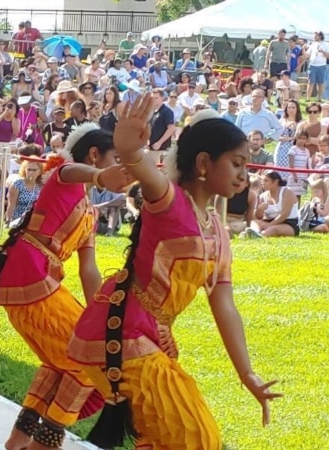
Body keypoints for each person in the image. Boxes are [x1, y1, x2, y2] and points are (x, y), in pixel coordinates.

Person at [68, 100, 282, 449]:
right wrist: (127, 148)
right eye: (236, 163)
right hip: (122, 334)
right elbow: (140, 165)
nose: (244, 175)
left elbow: (224, 306)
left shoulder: (217, 231)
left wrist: (247, 374)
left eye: (246, 166)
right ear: (202, 163)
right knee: (194, 436)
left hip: (151, 339)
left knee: (163, 437)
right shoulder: (169, 200)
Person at [0, 125, 134, 450]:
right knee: (86, 358)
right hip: (28, 273)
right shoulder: (62, 180)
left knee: (62, 361)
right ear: (95, 156)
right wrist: (100, 177)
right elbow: (69, 169)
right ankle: (45, 443)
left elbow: (88, 268)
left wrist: (99, 316)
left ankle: (20, 439)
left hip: (37, 279)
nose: (120, 167)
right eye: (115, 159)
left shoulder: (90, 213)